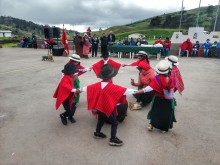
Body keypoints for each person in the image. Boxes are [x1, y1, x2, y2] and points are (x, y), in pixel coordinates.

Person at [81, 64, 137, 146]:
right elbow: (127, 91)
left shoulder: (95, 85)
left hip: (99, 107)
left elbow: (83, 89)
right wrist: (142, 91)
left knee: (101, 120)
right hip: (107, 108)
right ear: (111, 76)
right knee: (114, 123)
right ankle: (113, 139)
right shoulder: (113, 87)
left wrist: (74, 90)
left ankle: (97, 133)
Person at [136, 60, 176, 133]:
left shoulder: (157, 78)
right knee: (166, 114)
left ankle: (152, 124)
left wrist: (140, 91)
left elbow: (150, 88)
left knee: (155, 111)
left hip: (158, 98)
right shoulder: (172, 78)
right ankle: (163, 128)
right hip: (169, 100)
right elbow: (174, 88)